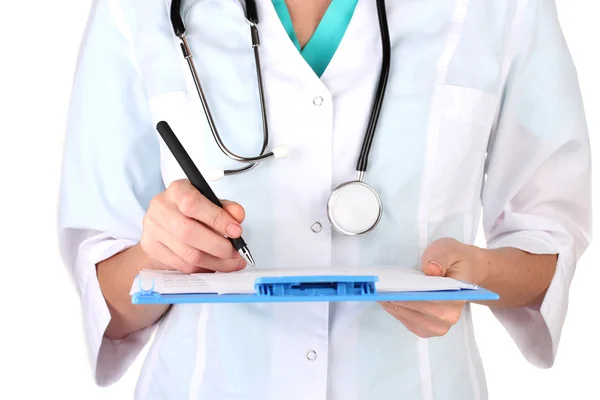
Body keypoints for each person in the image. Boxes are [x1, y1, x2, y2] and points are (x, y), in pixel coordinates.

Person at [57, 0, 592, 399]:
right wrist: (160, 254)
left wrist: (477, 272)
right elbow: (105, 302)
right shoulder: (135, 11)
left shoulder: (500, 9)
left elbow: (549, 244)